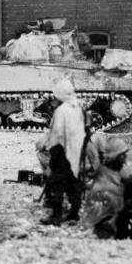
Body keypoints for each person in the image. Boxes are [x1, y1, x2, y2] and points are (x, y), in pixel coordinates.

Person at [83, 137, 132, 240]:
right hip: (107, 221)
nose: (125, 158)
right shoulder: (106, 175)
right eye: (123, 155)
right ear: (117, 156)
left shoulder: (110, 171)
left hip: (109, 217)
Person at [36, 78, 86, 225]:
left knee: (55, 182)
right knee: (73, 181)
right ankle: (74, 213)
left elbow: (56, 133)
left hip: (61, 150)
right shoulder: (78, 107)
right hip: (76, 149)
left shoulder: (61, 110)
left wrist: (47, 147)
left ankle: (56, 216)